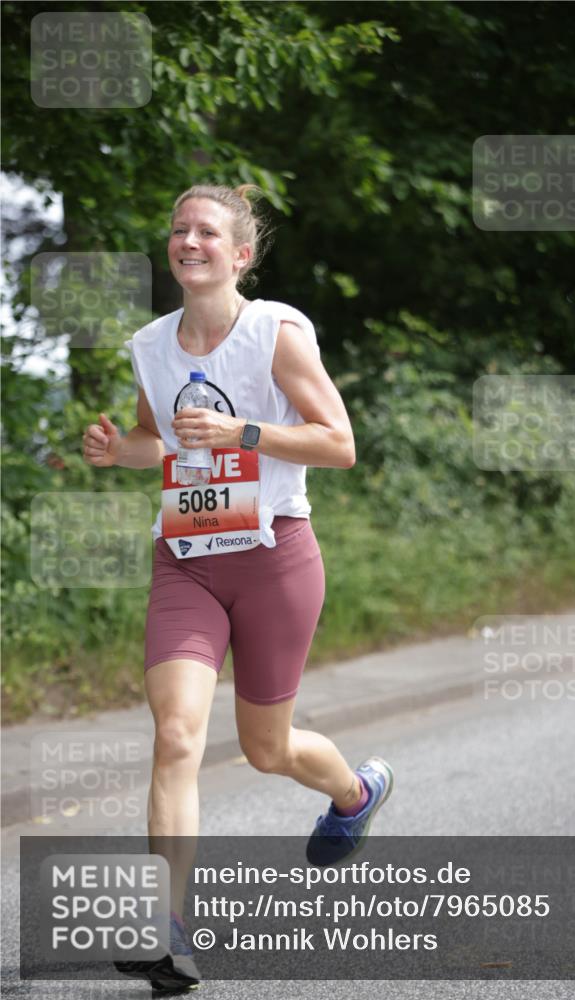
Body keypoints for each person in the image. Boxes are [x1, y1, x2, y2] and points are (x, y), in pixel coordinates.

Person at [82, 183, 393, 990]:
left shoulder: (274, 332)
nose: (188, 241)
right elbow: (157, 440)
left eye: (207, 232)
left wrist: (242, 432)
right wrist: (119, 452)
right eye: (178, 229)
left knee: (266, 749)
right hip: (186, 558)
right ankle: (166, 928)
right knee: (177, 735)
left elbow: (339, 443)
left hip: (274, 557)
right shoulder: (151, 344)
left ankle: (355, 792)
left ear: (240, 254)